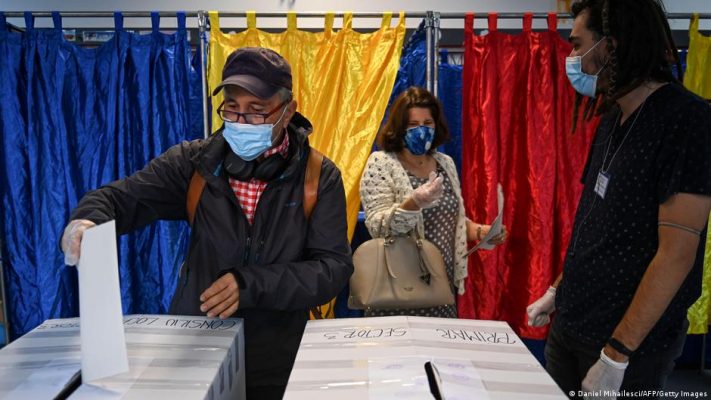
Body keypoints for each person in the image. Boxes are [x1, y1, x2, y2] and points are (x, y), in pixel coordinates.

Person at [60, 47, 353, 400]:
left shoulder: (318, 177)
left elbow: (332, 268)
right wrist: (87, 220)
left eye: (257, 110)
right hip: (196, 348)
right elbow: (118, 198)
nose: (241, 122)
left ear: (288, 110)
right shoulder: (194, 164)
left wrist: (250, 284)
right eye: (232, 108)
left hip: (278, 358)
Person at [526, 1, 711, 398]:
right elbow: (593, 221)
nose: (572, 58)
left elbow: (677, 254)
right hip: (572, 324)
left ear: (611, 45)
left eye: (578, 45)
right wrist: (558, 290)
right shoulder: (612, 118)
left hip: (624, 345)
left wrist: (616, 355)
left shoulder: (686, 120)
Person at [359, 86, 507, 318]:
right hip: (396, 293)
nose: (422, 130)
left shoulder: (445, 163)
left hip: (441, 292)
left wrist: (481, 231)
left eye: (427, 123)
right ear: (399, 127)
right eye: (413, 124)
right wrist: (413, 203)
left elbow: (450, 220)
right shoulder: (381, 163)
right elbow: (378, 227)